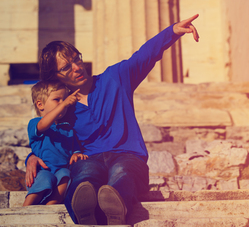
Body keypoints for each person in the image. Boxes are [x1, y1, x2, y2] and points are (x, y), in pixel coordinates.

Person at [26, 14, 200, 224]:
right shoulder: (63, 110)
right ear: (55, 77)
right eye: (66, 67)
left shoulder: (115, 77)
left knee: (121, 172)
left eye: (76, 59)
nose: (77, 67)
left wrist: (172, 31)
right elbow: (48, 142)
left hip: (128, 156)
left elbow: (144, 55)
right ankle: (85, 212)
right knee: (84, 175)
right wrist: (32, 158)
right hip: (89, 159)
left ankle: (116, 207)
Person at [23, 80, 88, 206]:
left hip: (61, 170)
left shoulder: (67, 128)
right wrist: (63, 105)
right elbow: (43, 125)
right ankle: (25, 208)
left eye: (63, 99)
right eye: (57, 99)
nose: (62, 103)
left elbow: (74, 147)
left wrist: (76, 153)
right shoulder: (35, 123)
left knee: (66, 175)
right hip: (42, 171)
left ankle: (52, 203)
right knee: (45, 179)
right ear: (40, 105)